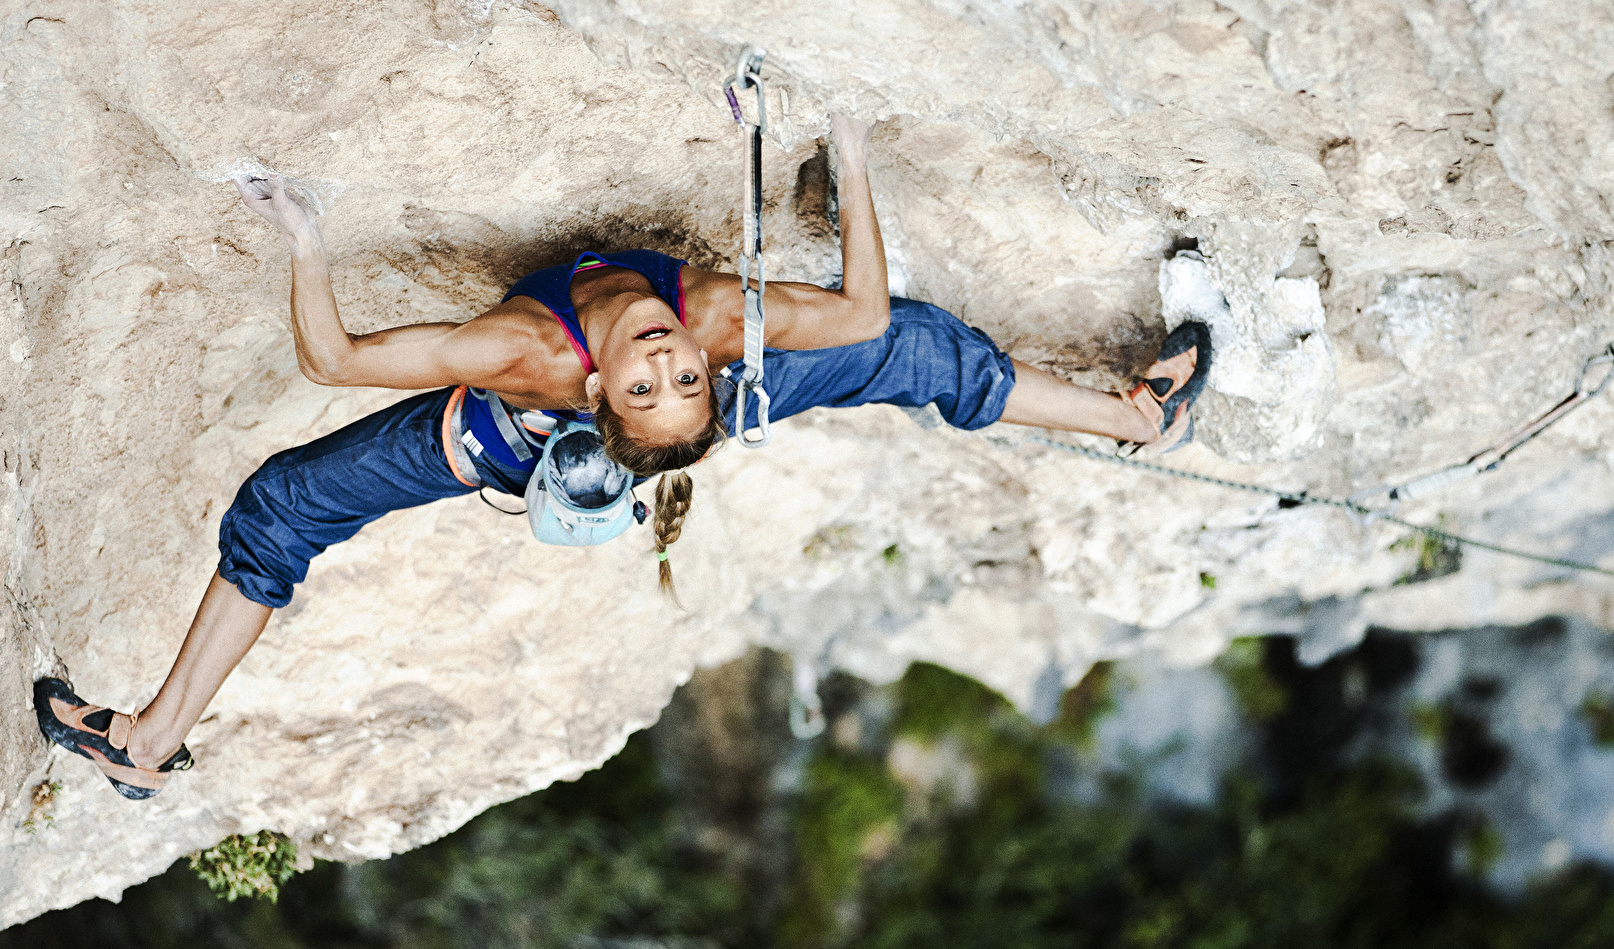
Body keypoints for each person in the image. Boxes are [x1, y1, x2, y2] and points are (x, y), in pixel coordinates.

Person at [33, 113, 1210, 800]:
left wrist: (301, 232)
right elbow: (855, 320)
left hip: (504, 440)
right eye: (671, 372)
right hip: (620, 422)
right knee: (915, 348)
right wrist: (849, 149)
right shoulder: (624, 335)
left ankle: (1136, 422)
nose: (660, 357)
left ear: (624, 390)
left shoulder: (603, 341)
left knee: (278, 507)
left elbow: (337, 360)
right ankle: (144, 745)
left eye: (661, 377)